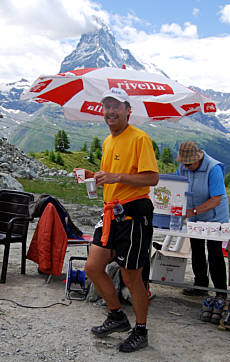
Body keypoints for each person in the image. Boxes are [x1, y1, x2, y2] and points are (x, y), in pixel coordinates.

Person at [84, 87, 159, 353]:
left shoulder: (139, 138)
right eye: (107, 106)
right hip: (110, 213)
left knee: (131, 277)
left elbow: (151, 178)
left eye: (116, 106)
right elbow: (111, 175)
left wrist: (117, 177)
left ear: (129, 110)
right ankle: (117, 316)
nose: (110, 111)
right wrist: (92, 175)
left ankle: (141, 330)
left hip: (134, 215)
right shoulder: (108, 141)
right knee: (93, 267)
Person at [176, 141, 229, 322]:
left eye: (190, 164)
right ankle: (200, 285)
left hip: (215, 219)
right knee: (197, 249)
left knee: (214, 252)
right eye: (185, 164)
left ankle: (220, 291)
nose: (187, 167)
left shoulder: (213, 169)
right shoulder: (183, 167)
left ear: (198, 159)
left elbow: (216, 199)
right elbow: (178, 188)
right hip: (195, 217)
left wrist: (194, 211)